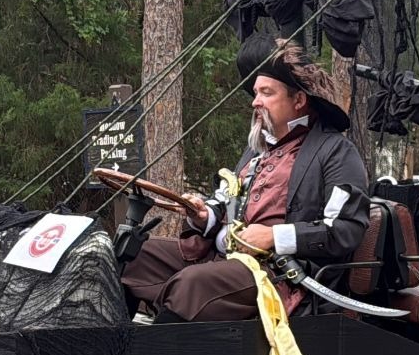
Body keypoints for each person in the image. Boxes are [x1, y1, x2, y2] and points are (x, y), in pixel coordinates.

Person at [120, 36, 371, 322]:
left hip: (279, 274)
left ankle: (156, 350)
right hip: (224, 260)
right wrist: (204, 216)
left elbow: (345, 229)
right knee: (132, 254)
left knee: (193, 284)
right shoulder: (256, 151)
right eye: (255, 93)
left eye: (266, 92)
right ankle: (114, 345)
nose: (255, 102)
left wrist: (273, 236)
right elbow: (226, 201)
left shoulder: (336, 151)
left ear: (299, 100)